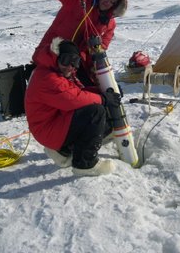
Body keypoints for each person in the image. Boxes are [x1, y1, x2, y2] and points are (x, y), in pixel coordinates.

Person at [25, 37, 121, 177]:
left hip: (53, 123)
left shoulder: (55, 72)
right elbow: (72, 99)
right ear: (55, 57)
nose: (70, 66)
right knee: (95, 112)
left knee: (100, 115)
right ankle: (85, 165)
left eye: (75, 62)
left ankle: (63, 151)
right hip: (47, 129)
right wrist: (103, 98)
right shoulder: (47, 77)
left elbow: (77, 92)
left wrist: (105, 93)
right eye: (66, 60)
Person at [32, 0, 127, 85]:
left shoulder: (109, 23)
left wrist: (93, 64)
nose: (107, 1)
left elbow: (102, 48)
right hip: (50, 56)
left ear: (114, 6)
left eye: (112, 1)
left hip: (75, 65)